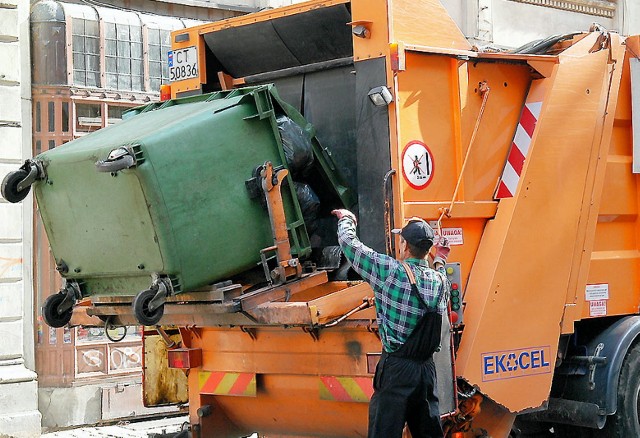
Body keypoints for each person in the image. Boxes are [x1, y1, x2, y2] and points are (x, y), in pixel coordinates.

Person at [332, 209, 451, 438]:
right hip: (426, 371)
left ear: (405, 246)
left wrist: (347, 218)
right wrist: (441, 259)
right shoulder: (440, 283)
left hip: (396, 370)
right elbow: (442, 275)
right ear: (427, 250)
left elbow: (349, 244)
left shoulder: (390, 272)